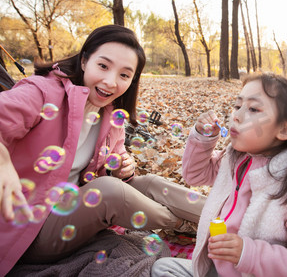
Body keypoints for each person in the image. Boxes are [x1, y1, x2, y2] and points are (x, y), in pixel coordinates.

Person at [0, 25, 204, 275]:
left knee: (148, 182)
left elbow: (118, 175)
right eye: (103, 66)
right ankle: (187, 225)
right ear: (85, 60)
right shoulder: (41, 92)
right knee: (108, 191)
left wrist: (124, 167)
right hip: (27, 229)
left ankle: (224, 216)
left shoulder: (110, 115)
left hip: (72, 209)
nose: (110, 82)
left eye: (124, 75)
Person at [152, 73, 287, 276]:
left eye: (253, 109)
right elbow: (194, 175)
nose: (236, 116)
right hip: (217, 269)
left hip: (251, 270)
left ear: (285, 129)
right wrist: (203, 138)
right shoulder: (236, 160)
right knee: (162, 268)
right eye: (237, 106)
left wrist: (248, 253)